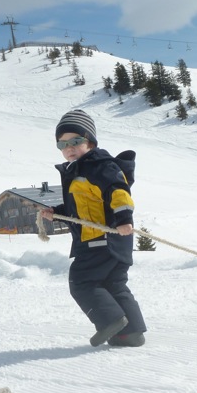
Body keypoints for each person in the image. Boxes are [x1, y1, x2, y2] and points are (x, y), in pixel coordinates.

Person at [41, 109, 146, 347]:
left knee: (81, 281)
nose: (69, 147)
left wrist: (123, 218)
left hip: (102, 240)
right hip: (110, 240)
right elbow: (83, 207)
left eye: (76, 141)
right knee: (113, 284)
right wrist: (57, 212)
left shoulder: (99, 166)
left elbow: (119, 191)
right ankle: (130, 333)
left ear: (90, 141)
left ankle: (110, 321)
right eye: (62, 143)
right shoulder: (80, 170)